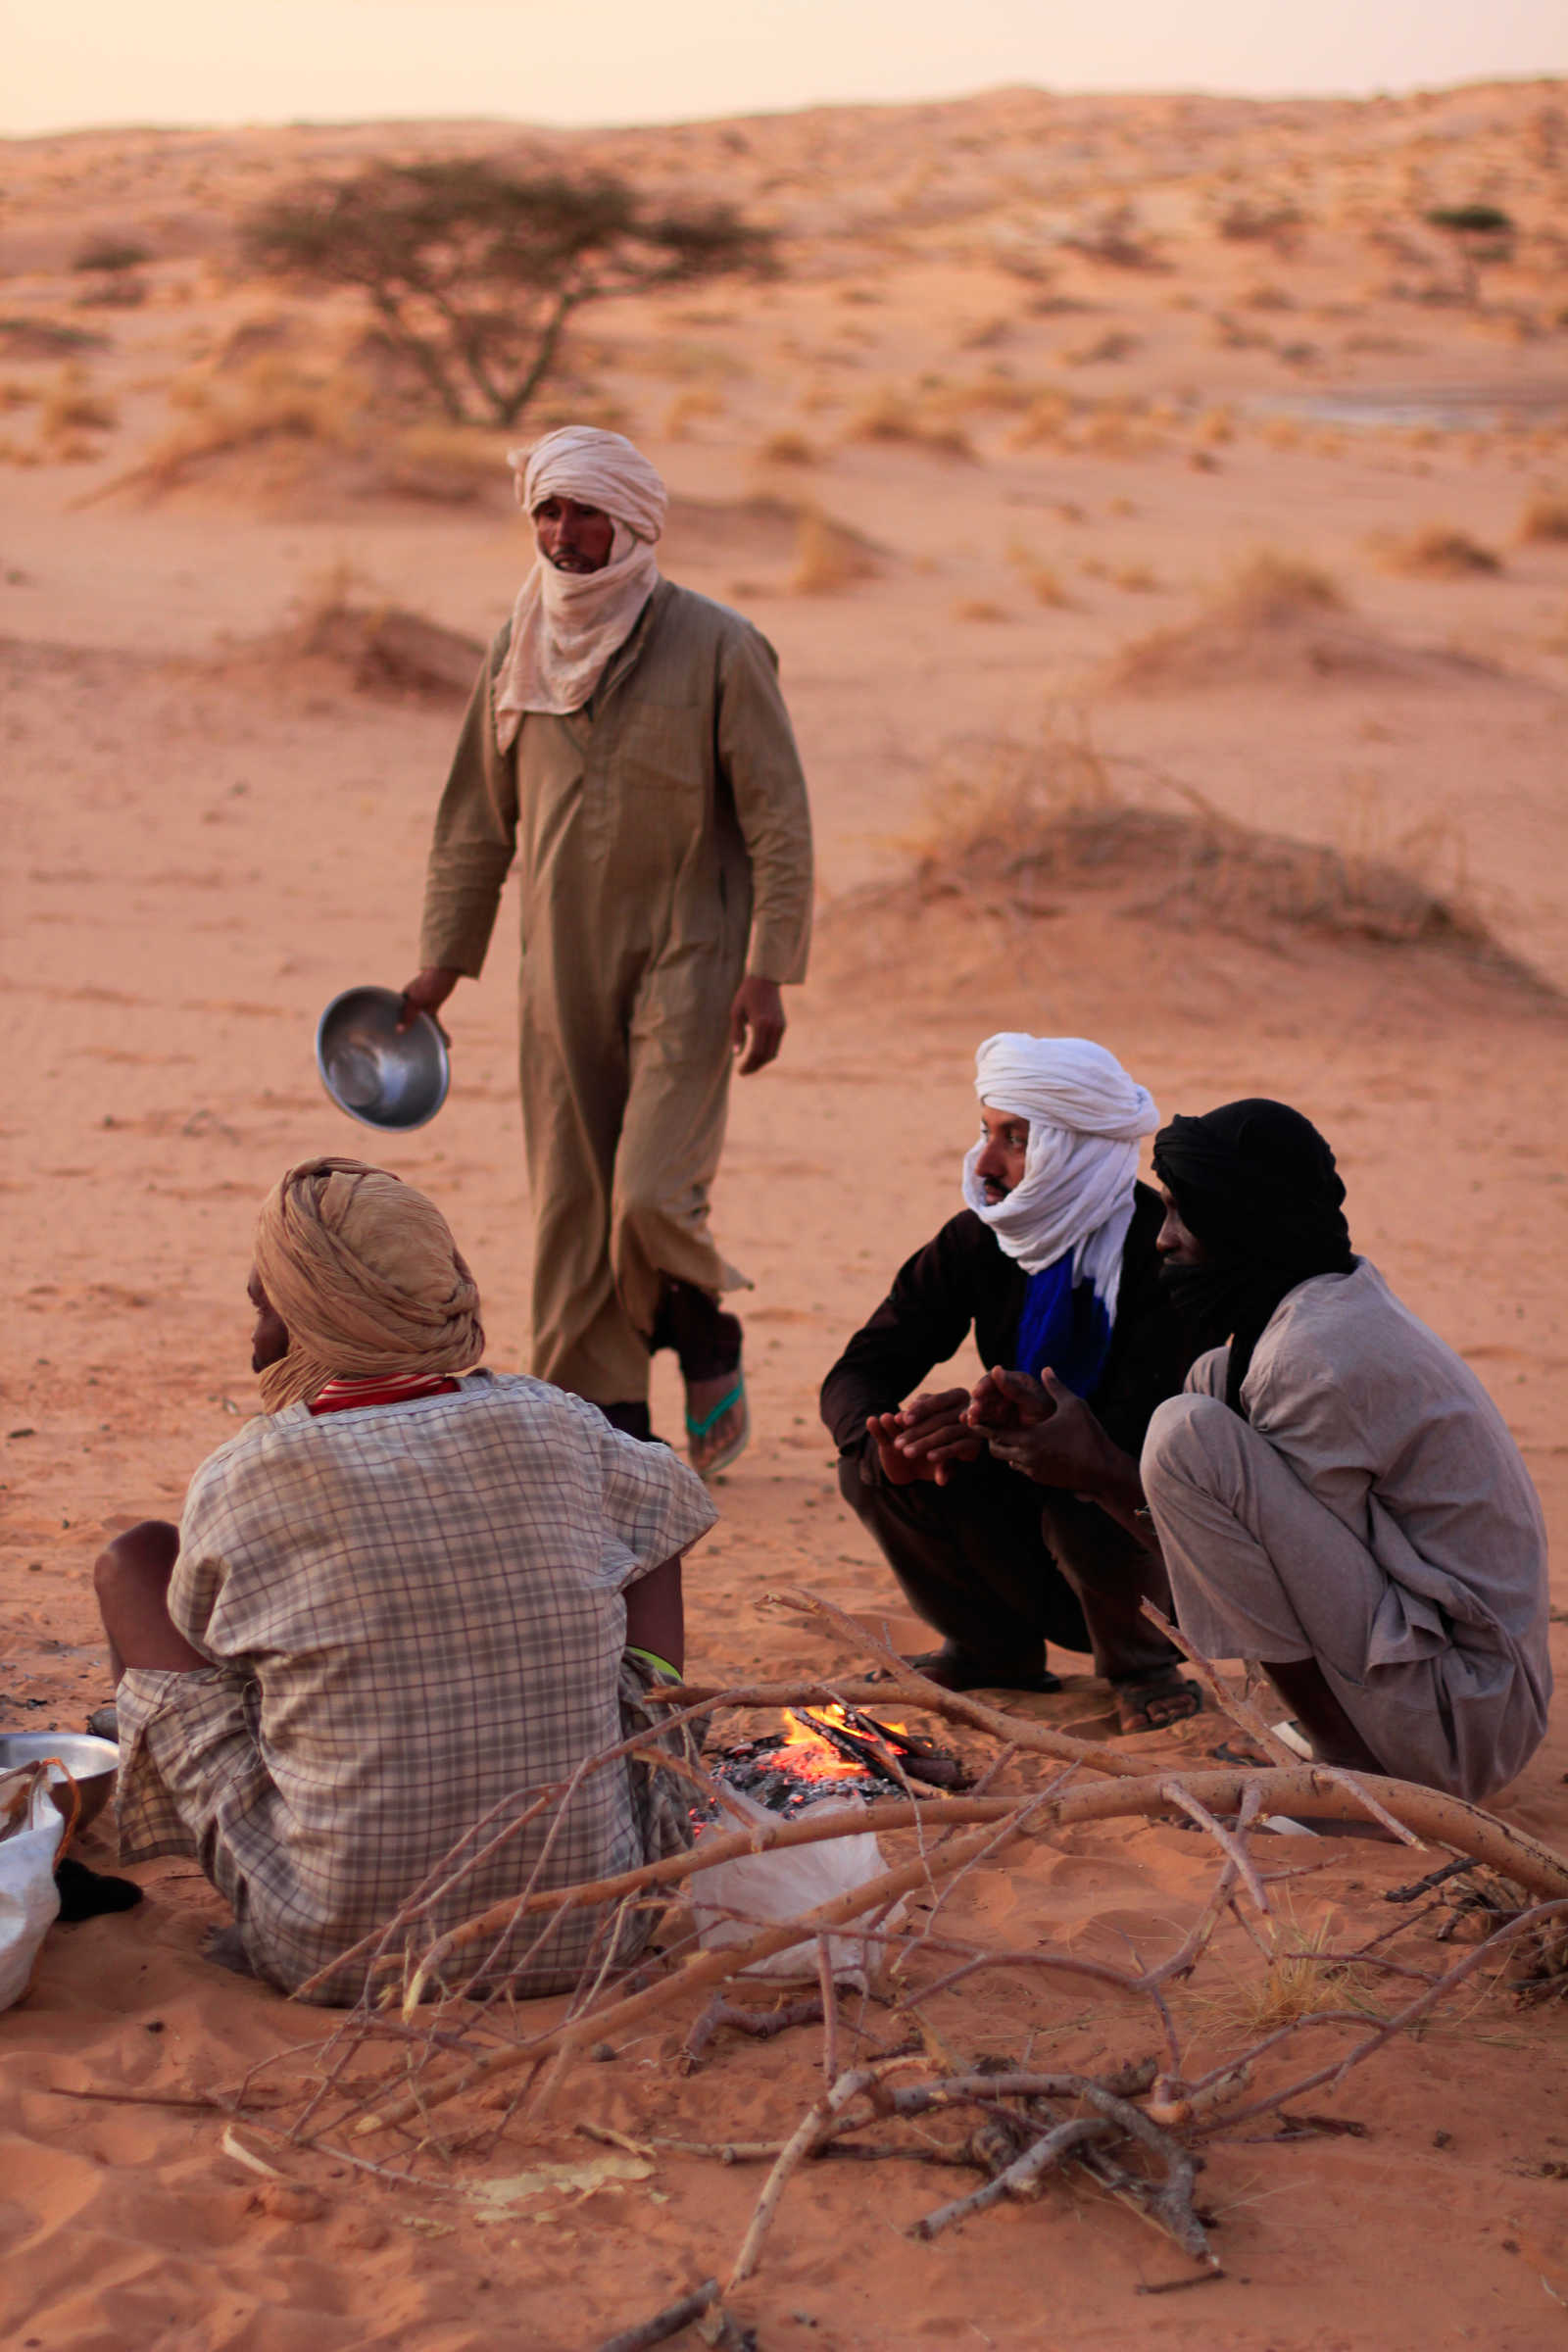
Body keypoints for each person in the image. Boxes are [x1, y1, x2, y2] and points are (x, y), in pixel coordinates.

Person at [94, 1156, 716, 2005]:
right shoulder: (557, 1422)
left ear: (315, 1316)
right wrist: (647, 1688)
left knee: (133, 1562)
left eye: (263, 1307)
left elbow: (212, 1645)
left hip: (332, 1945)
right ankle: (657, 1733)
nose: (255, 1341)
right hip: (601, 1920)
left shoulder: (248, 1474)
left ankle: (141, 1756)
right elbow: (671, 1509)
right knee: (649, 1509)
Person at [400, 424, 814, 1478]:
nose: (563, 533)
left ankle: (698, 1316)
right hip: (559, 958)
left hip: (695, 948)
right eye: (548, 510)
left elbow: (777, 816)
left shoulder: (720, 645)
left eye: (585, 512)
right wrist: (443, 964)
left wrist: (770, 965)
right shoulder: (517, 643)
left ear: (631, 523)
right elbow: (473, 821)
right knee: (572, 1202)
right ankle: (609, 1420)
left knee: (647, 1192)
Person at [988, 1099, 1551, 1802]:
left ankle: (1348, 1773)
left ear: (1242, 1222)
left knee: (1188, 1432)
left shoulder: (1313, 1355)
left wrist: (1100, 1467)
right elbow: (1246, 1555)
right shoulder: (1309, 1315)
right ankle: (1334, 1743)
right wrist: (1088, 1462)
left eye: (1182, 1215)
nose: (1162, 1241)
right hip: (1453, 1691)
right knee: (1205, 1396)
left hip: (1460, 1716)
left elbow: (1278, 1585)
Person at [820, 1034, 1202, 1733]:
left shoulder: (1164, 1252)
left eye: (1017, 1140)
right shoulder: (977, 1241)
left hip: (1153, 1539)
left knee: (1082, 1480)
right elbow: (858, 1371)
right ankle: (992, 1650)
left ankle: (1145, 1666)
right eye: (985, 1132)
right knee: (873, 1469)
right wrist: (897, 1441)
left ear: (1077, 1148)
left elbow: (1161, 1434)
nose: (986, 1163)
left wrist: (1027, 1427)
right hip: (1023, 1520)